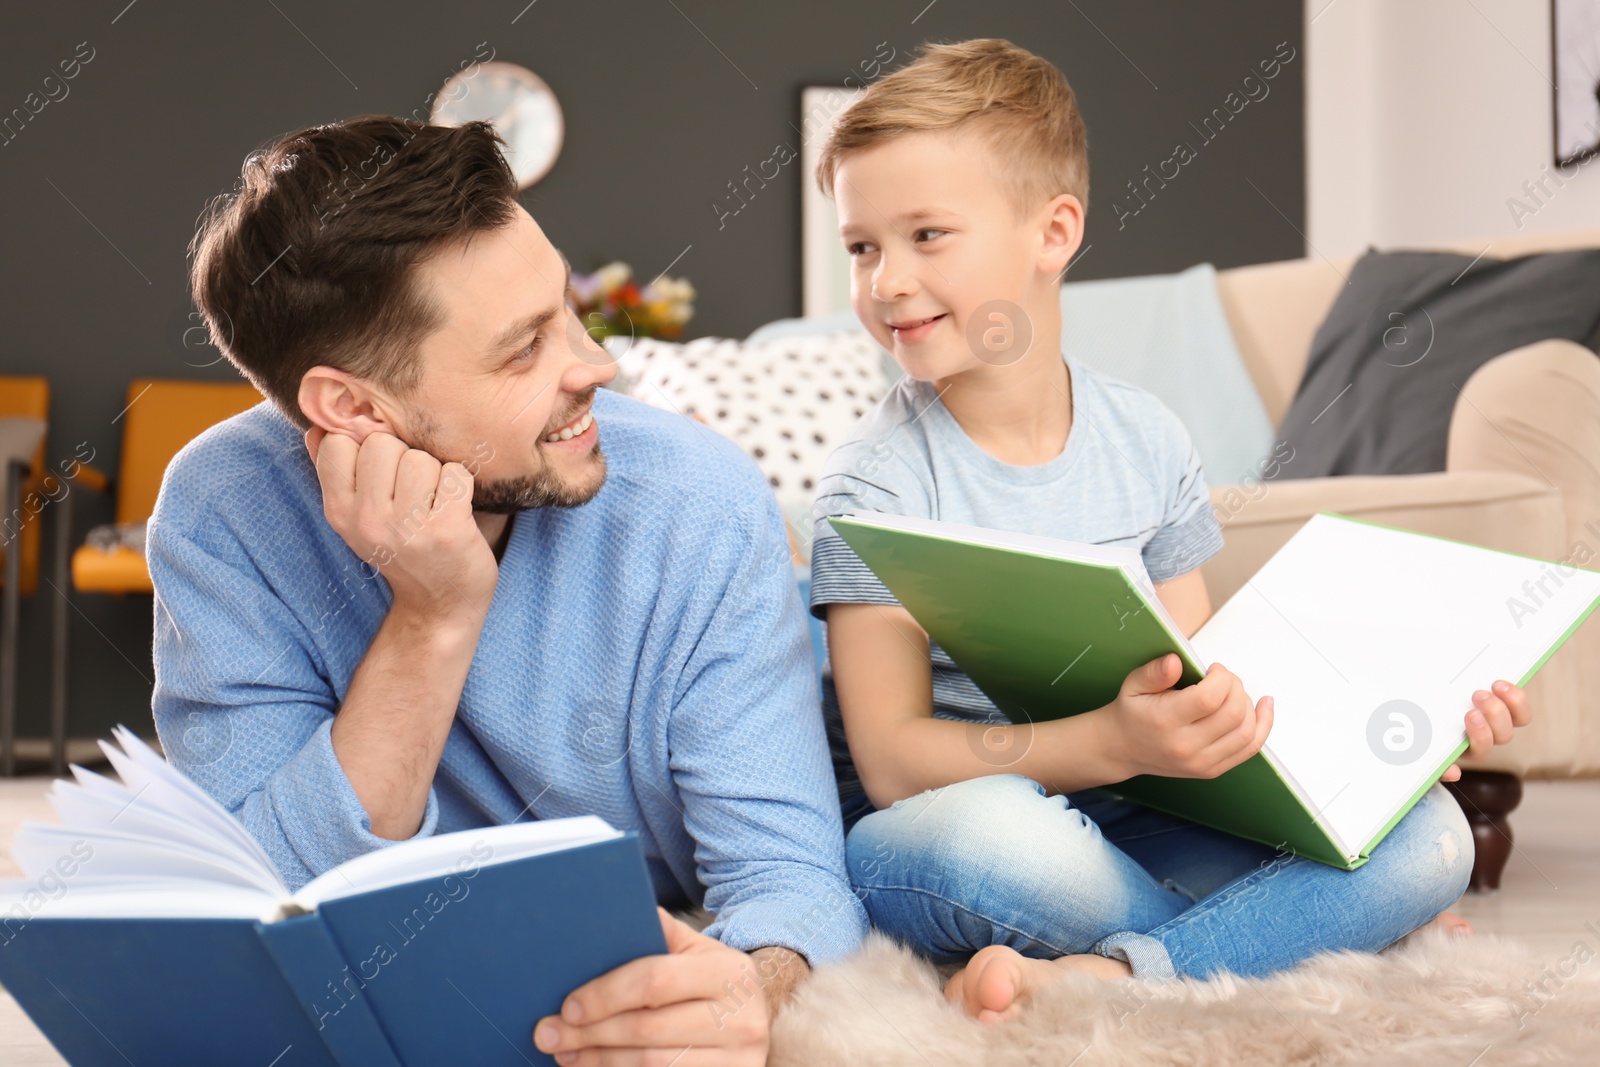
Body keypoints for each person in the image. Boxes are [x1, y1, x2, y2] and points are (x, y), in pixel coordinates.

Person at [807, 38, 1528, 1023]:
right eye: (861, 246)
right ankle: (1289, 931)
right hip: (953, 825)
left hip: (1141, 813)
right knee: (998, 840)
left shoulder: (1145, 438)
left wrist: (1391, 734)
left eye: (926, 235)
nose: (885, 280)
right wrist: (1105, 738)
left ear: (1052, 231)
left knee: (1432, 834)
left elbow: (1207, 686)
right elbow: (890, 759)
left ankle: (1120, 974)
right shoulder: (873, 477)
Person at [150, 115, 867, 1066]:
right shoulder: (221, 511)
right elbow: (261, 907)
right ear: (354, 409)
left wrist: (760, 989)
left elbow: (794, 879)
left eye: (565, 309)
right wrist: (433, 614)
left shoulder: (699, 498)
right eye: (524, 349)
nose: (597, 365)